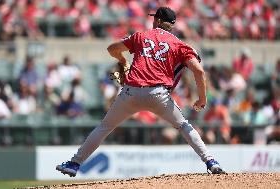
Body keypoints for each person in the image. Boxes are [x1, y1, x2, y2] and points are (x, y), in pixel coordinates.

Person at [56, 7, 225, 177]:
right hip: (159, 94)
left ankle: (74, 164)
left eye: (154, 18)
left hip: (131, 92)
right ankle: (211, 162)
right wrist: (202, 99)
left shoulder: (141, 36)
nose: (152, 21)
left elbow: (111, 48)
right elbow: (199, 71)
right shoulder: (179, 44)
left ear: (158, 21)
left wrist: (122, 60)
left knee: (104, 127)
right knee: (184, 126)